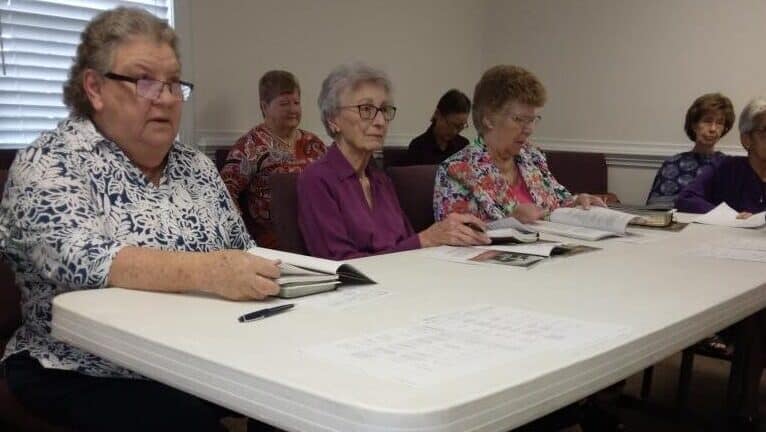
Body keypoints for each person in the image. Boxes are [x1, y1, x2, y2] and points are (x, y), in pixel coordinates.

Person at [0, 8, 281, 432]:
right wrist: (211, 271)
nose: (166, 97)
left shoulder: (197, 167)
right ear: (94, 87)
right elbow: (85, 262)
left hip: (200, 357)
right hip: (80, 367)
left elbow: (241, 252)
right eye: (145, 81)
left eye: (173, 84)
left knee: (293, 403)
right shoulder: (49, 162)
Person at [297, 63, 490, 260]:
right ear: (333, 119)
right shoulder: (317, 180)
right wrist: (426, 239)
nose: (380, 121)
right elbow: (341, 264)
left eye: (384, 110)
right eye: (366, 109)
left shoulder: (380, 180)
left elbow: (405, 241)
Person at [433, 65, 604, 224]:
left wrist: (577, 203)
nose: (529, 129)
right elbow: (455, 236)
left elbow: (558, 202)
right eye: (519, 119)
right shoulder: (457, 171)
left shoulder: (532, 156)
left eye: (532, 120)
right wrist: (510, 222)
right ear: (489, 119)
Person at [221, 70, 326, 248]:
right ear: (264, 106)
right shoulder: (250, 146)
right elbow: (224, 193)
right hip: (273, 242)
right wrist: (240, 237)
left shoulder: (314, 143)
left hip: (320, 233)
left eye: (296, 102)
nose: (293, 109)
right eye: (284, 103)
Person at [676, 96, 766, 217]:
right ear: (746, 140)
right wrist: (730, 216)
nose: (712, 128)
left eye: (719, 123)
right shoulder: (725, 167)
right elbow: (686, 199)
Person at [646, 93, 735, 208]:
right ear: (694, 125)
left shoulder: (728, 166)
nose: (713, 129)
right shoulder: (673, 164)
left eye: (719, 123)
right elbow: (656, 208)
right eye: (707, 121)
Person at [407, 89, 471, 164]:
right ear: (438, 114)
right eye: (451, 125)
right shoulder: (418, 147)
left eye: (460, 127)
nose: (454, 131)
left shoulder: (463, 145)